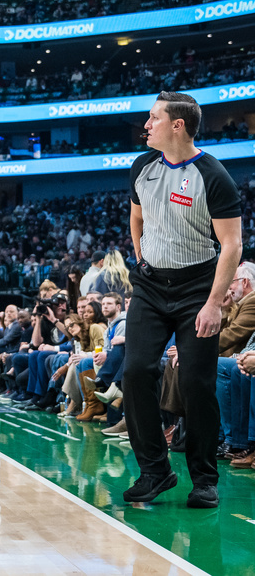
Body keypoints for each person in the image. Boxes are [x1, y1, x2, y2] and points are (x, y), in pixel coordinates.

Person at [123, 91, 242, 509]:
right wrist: (141, 259)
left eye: (154, 118)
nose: (146, 125)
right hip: (151, 287)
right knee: (135, 371)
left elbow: (232, 245)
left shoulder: (213, 175)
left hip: (197, 288)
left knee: (196, 382)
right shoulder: (142, 167)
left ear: (178, 125)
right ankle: (155, 471)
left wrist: (213, 304)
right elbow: (137, 218)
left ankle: (204, 479)